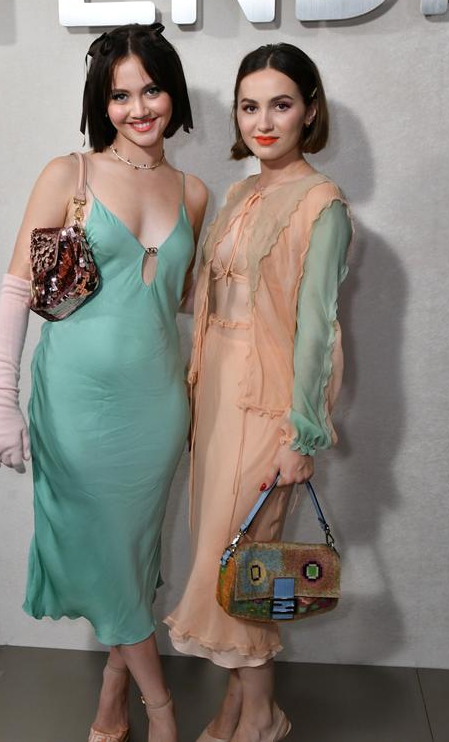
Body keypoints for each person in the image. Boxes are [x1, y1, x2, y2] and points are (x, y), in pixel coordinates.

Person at [0, 22, 208, 742]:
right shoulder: (68, 174)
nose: (138, 107)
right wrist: (0, 402)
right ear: (99, 101)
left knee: (133, 555)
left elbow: (175, 302)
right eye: (119, 94)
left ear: (172, 92)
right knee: (113, 552)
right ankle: (161, 710)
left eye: (151, 89)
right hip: (76, 403)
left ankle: (113, 696)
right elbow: (19, 288)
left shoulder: (195, 192)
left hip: (158, 408)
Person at [164, 43, 352, 742]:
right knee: (227, 559)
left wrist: (302, 435)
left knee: (241, 562)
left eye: (281, 104)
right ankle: (241, 708)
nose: (263, 120)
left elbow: (318, 328)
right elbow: (209, 296)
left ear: (310, 109)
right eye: (250, 106)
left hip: (267, 402)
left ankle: (259, 714)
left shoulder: (323, 203)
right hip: (213, 392)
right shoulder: (241, 192)